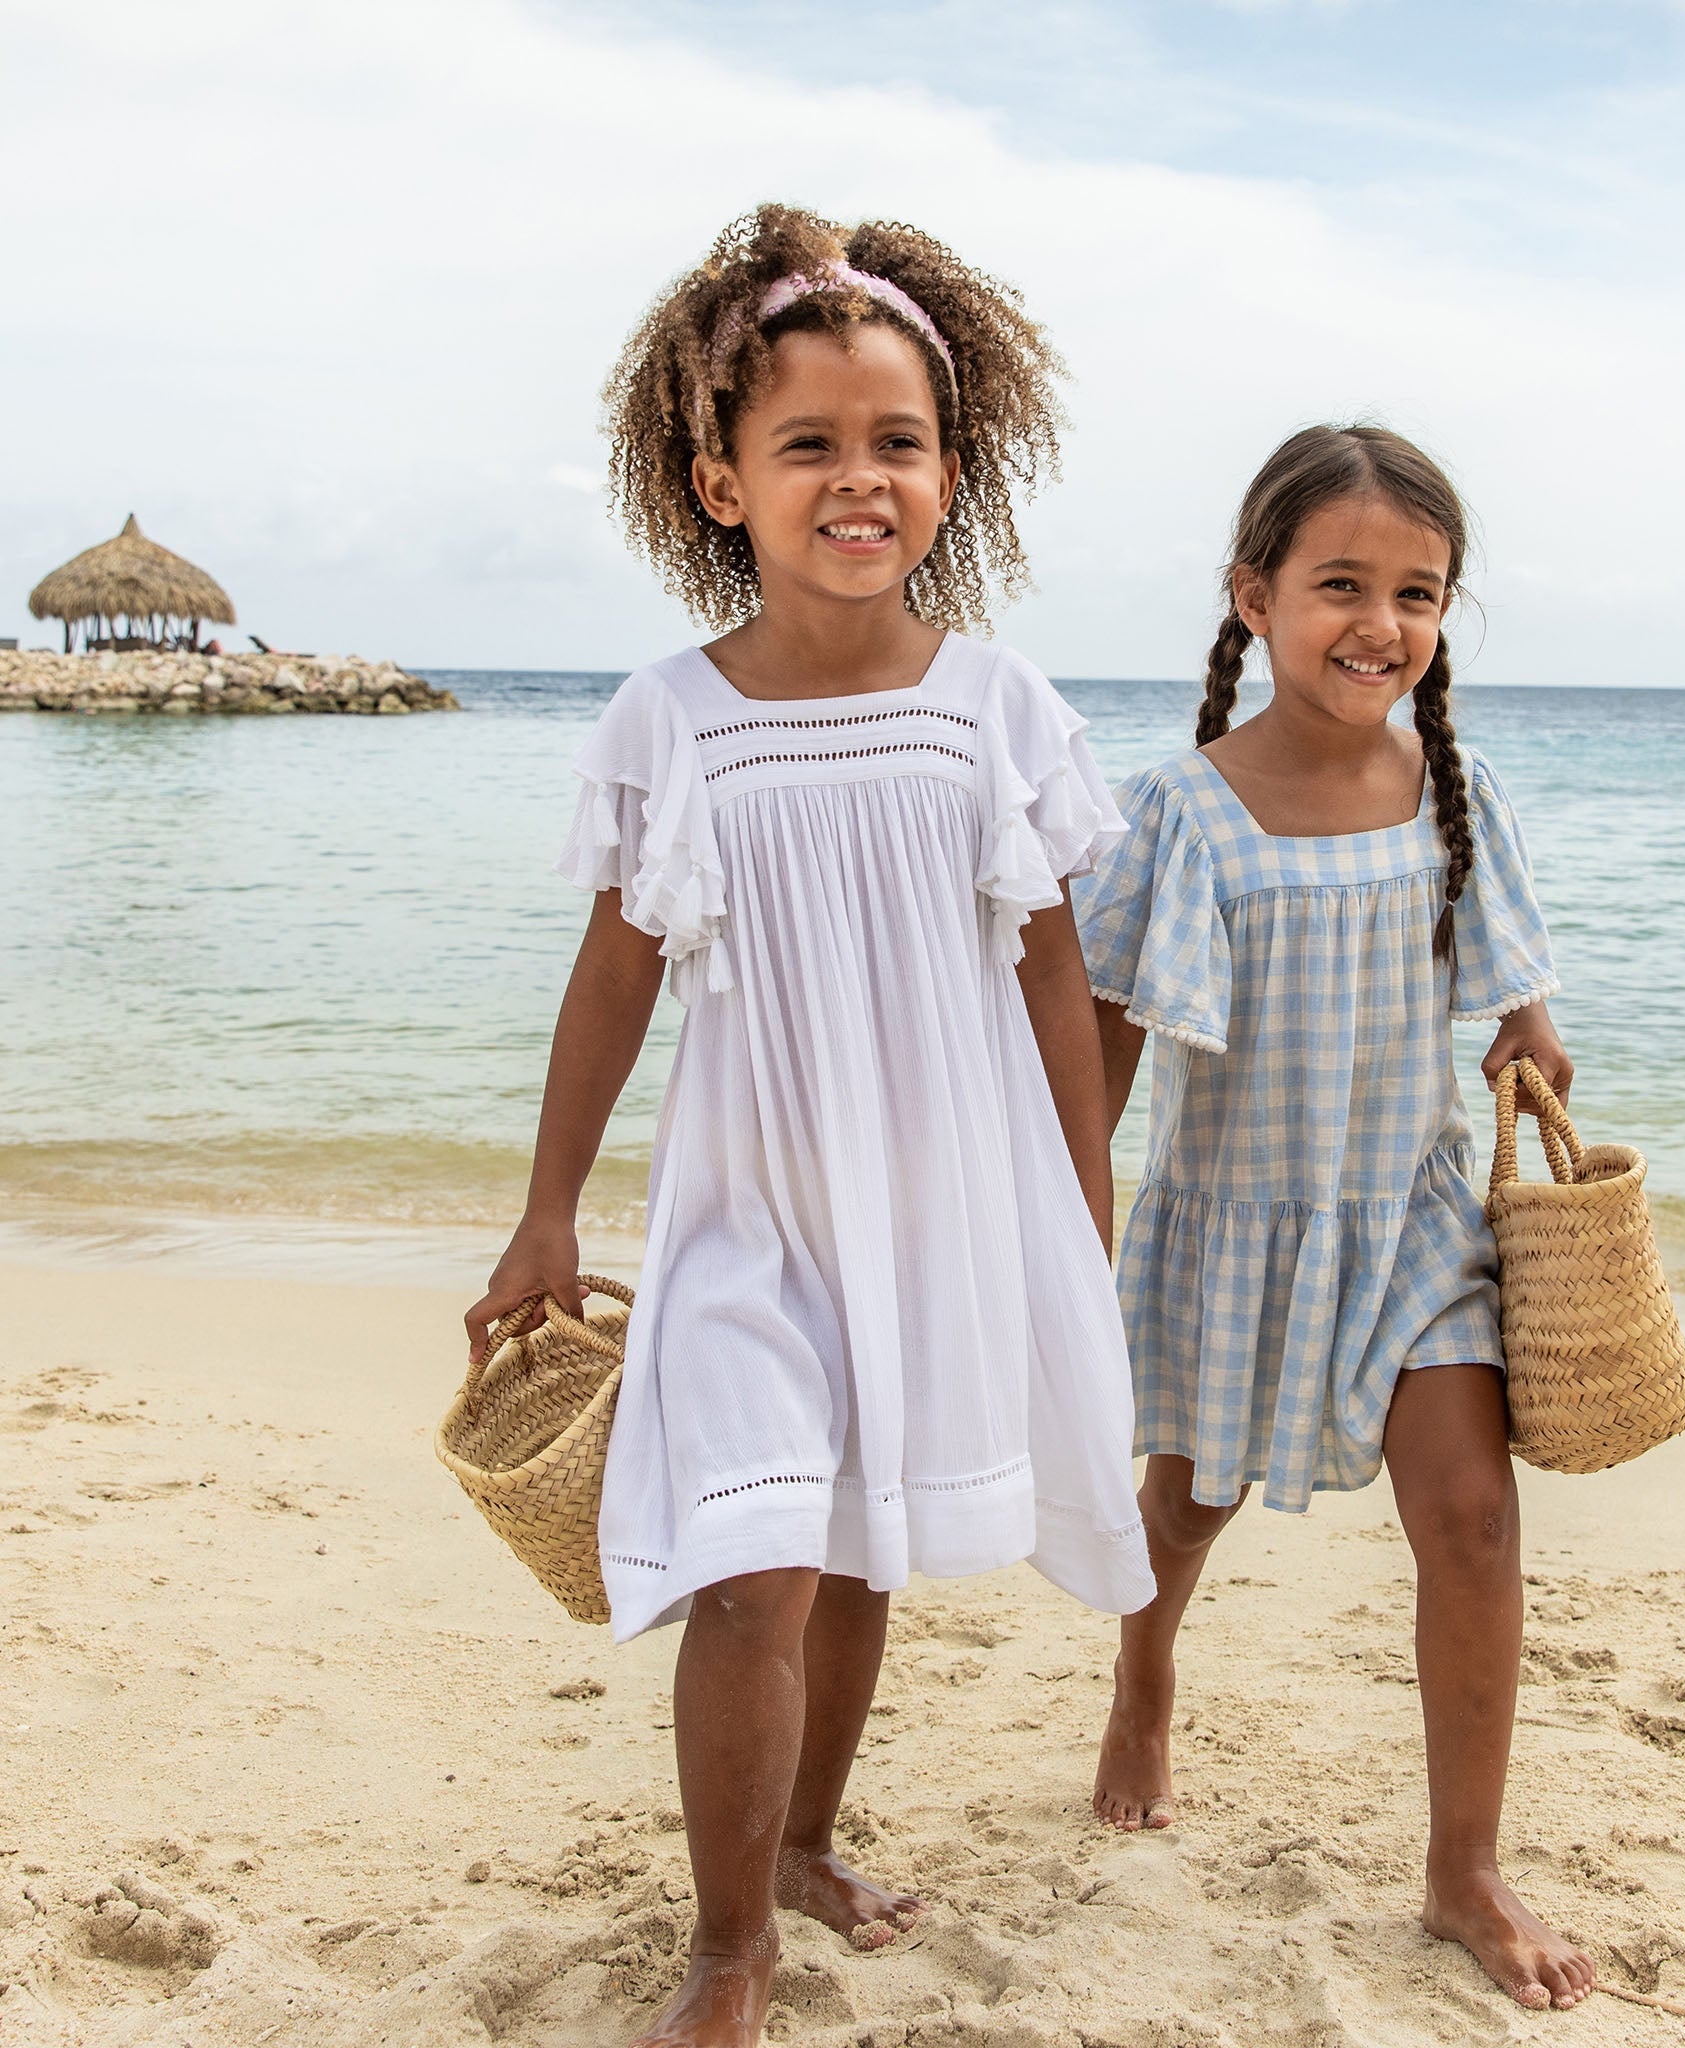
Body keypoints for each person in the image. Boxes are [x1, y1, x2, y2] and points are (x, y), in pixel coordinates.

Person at [466, 204, 1154, 2048]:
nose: (861, 477)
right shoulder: (672, 718)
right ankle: (729, 1948)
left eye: (898, 441)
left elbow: (1054, 979)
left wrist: (1079, 1204)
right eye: (810, 443)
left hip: (936, 1211)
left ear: (952, 473)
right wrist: (547, 1207)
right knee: (753, 1565)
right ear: (722, 482)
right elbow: (614, 975)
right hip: (746, 1213)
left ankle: (804, 1843)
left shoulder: (995, 708)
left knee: (858, 1552)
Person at [1074, 425, 1595, 2012]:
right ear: (1256, 598)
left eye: (1417, 593)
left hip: (1415, 1221)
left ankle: (1464, 1870)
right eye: (1342, 586)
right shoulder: (1179, 814)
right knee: (1185, 1511)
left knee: (1474, 1517)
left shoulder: (1455, 792)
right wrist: (1066, 1226)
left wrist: (1526, 1036)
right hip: (1236, 1223)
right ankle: (1145, 1678)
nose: (1381, 623)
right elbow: (1102, 1050)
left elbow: (1514, 994)